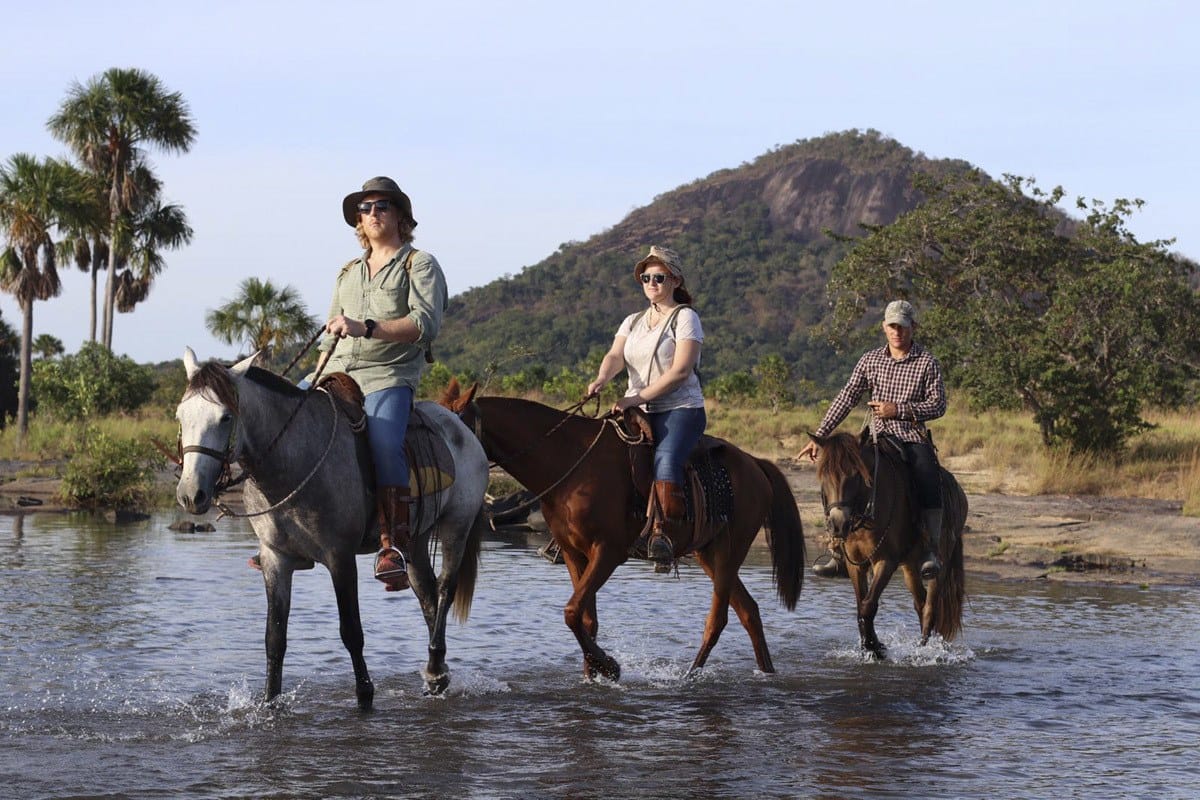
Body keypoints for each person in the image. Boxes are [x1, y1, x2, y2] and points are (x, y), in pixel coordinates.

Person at [306, 176, 448, 592]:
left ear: (401, 216)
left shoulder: (418, 264)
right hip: (338, 372)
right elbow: (332, 334)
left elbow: (424, 325)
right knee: (286, 417)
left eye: (382, 206)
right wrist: (313, 377)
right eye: (365, 208)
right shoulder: (348, 272)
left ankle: (394, 546)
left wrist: (366, 327)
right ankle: (288, 534)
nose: (372, 214)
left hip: (389, 375)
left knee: (385, 443)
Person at [797, 299, 947, 580]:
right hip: (875, 437)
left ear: (913, 327)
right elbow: (847, 396)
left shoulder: (926, 362)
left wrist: (899, 409)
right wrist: (821, 436)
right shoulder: (871, 359)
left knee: (927, 473)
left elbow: (938, 405)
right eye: (892, 326)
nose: (897, 332)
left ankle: (930, 548)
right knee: (838, 476)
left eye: (903, 326)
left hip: (911, 437)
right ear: (884, 328)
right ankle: (838, 550)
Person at [586, 245, 706, 569]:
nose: (651, 282)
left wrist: (636, 397)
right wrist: (601, 378)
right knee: (599, 451)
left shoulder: (686, 318)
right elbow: (615, 356)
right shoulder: (632, 320)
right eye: (645, 277)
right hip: (637, 408)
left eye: (658, 277)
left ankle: (663, 534)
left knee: (665, 459)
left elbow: (680, 372)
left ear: (675, 280)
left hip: (679, 408)